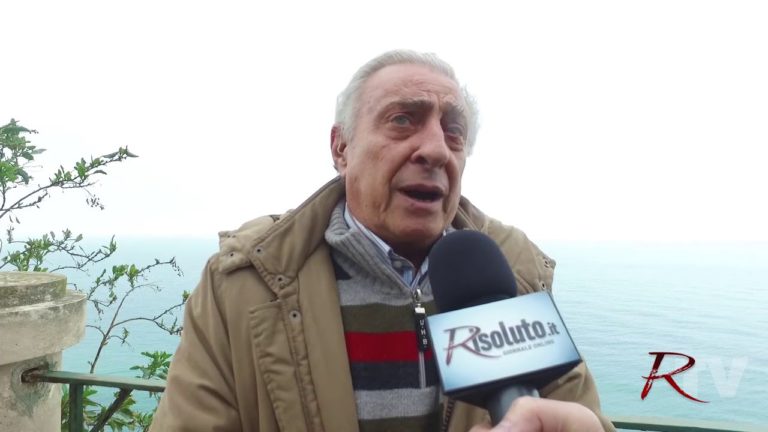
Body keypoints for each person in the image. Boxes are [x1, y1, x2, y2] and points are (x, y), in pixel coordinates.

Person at [151, 49, 615, 432]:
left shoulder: (514, 273)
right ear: (341, 148)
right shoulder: (244, 283)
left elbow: (578, 414)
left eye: (453, 132)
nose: (436, 149)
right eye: (402, 120)